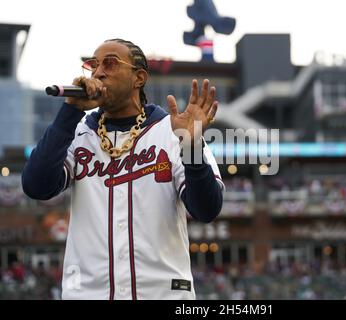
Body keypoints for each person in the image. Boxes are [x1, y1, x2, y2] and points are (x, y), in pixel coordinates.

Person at [22, 39, 224, 300]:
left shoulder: (174, 130)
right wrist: (69, 110)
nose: (98, 73)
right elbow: (36, 186)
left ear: (139, 77)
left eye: (110, 63)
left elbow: (206, 209)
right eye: (93, 66)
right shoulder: (79, 133)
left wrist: (192, 144)